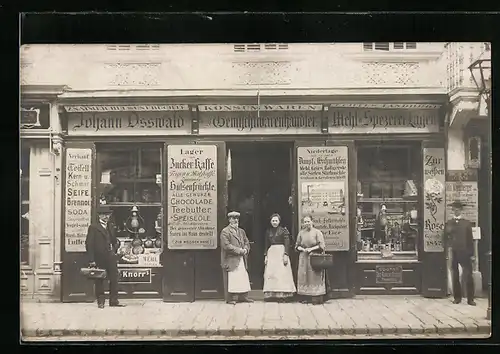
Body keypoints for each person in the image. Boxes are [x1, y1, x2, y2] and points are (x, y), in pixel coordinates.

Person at [85, 207, 125, 309]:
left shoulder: (110, 226)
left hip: (111, 257)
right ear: (99, 216)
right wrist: (91, 260)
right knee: (99, 280)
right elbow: (89, 244)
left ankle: (114, 300)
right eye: (104, 215)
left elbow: (114, 240)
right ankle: (101, 301)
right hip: (99, 257)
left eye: (108, 215)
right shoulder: (94, 227)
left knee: (114, 278)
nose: (106, 217)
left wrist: (116, 248)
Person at [445, 200, 476, 306]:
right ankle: (457, 298)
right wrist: (449, 246)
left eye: (458, 209)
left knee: (468, 275)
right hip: (454, 252)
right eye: (454, 209)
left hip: (465, 252)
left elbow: (470, 240)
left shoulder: (466, 223)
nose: (456, 211)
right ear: (452, 210)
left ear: (461, 210)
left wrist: (472, 254)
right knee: (455, 275)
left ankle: (470, 299)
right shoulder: (449, 223)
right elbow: (445, 237)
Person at [220, 211, 254, 305]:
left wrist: (246, 249)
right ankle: (230, 298)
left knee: (242, 277)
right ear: (229, 220)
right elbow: (226, 246)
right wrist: (240, 250)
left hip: (241, 259)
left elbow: (246, 242)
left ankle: (243, 297)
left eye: (237, 219)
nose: (235, 220)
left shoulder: (241, 231)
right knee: (232, 278)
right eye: (233, 218)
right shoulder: (225, 231)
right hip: (231, 259)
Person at [263, 213, 296, 302]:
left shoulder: (283, 231)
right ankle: (272, 294)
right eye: (273, 221)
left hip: (281, 252)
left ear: (279, 221)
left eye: (276, 221)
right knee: (272, 273)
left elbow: (287, 243)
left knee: (281, 273)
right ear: (270, 222)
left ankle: (283, 294)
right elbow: (266, 245)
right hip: (272, 253)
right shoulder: (268, 231)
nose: (274, 222)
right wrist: (266, 255)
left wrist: (286, 254)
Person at [295, 215, 327, 304]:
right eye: (305, 222)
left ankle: (316, 297)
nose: (307, 223)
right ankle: (306, 297)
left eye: (308, 221)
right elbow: (297, 245)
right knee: (304, 276)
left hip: (314, 256)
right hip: (303, 257)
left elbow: (322, 246)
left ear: (312, 222)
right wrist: (301, 249)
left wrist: (311, 249)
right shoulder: (301, 233)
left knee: (314, 276)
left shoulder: (317, 232)